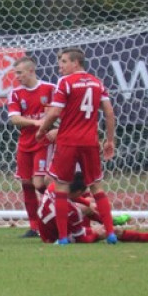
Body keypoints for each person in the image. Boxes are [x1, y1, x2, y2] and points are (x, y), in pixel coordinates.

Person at [36, 47, 119, 245]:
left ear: (76, 63)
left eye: (64, 61)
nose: (60, 66)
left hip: (68, 142)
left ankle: (63, 238)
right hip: (90, 141)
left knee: (61, 187)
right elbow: (109, 112)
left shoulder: (65, 82)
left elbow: (55, 113)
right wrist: (110, 140)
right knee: (96, 187)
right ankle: (110, 234)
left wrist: (42, 130)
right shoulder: (97, 82)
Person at [36, 174, 148, 244]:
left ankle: (110, 221)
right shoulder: (72, 212)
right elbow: (82, 239)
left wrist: (87, 203)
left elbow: (73, 200)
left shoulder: (54, 187)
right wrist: (98, 235)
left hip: (47, 228)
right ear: (78, 192)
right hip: (53, 238)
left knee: (88, 207)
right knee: (111, 231)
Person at [7, 56, 57, 238]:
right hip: (25, 143)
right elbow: (14, 118)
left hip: (43, 142)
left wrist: (55, 128)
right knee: (26, 183)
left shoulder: (50, 89)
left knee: (39, 183)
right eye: (15, 73)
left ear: (31, 71)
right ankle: (34, 227)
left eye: (20, 73)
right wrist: (36, 123)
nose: (17, 77)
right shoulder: (15, 93)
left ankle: (70, 205)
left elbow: (59, 112)